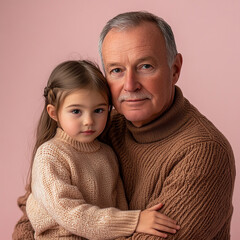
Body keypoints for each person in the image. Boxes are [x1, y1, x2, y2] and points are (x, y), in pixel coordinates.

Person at [13, 11, 235, 239]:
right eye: (116, 70)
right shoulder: (100, 127)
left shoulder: (204, 151)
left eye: (145, 66)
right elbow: (33, 211)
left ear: (175, 69)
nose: (130, 85)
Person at [19, 60, 180, 239]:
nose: (89, 121)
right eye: (76, 111)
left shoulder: (107, 154)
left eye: (98, 111)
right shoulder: (50, 155)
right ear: (54, 113)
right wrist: (134, 220)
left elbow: (119, 205)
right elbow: (73, 215)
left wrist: (130, 226)